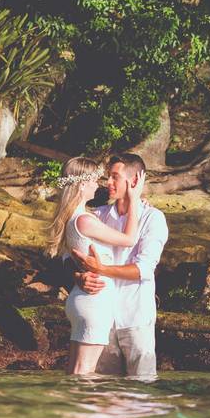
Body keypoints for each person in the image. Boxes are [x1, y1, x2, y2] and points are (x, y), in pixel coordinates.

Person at [72, 153, 168, 378]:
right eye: (108, 177)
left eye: (115, 177)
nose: (108, 183)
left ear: (134, 182)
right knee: (104, 393)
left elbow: (143, 270)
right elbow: (71, 255)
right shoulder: (99, 214)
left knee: (140, 391)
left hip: (136, 317)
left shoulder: (152, 219)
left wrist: (99, 269)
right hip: (103, 317)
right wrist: (79, 276)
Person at [46, 157, 144, 374]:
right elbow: (129, 239)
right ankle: (79, 406)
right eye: (92, 180)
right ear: (81, 184)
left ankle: (62, 406)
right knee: (85, 371)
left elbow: (66, 256)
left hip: (84, 298)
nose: (97, 184)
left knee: (75, 370)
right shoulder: (85, 220)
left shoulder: (77, 218)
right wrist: (134, 199)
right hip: (94, 300)